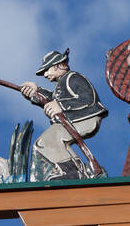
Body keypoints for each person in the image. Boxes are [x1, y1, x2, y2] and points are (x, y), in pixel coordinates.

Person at [21, 48, 108, 181]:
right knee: (45, 143)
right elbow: (51, 99)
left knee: (46, 142)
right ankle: (74, 170)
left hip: (85, 117)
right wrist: (36, 92)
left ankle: (74, 172)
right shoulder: (61, 84)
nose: (45, 75)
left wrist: (60, 105)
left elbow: (87, 99)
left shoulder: (73, 77)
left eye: (47, 70)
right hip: (74, 119)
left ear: (57, 66)